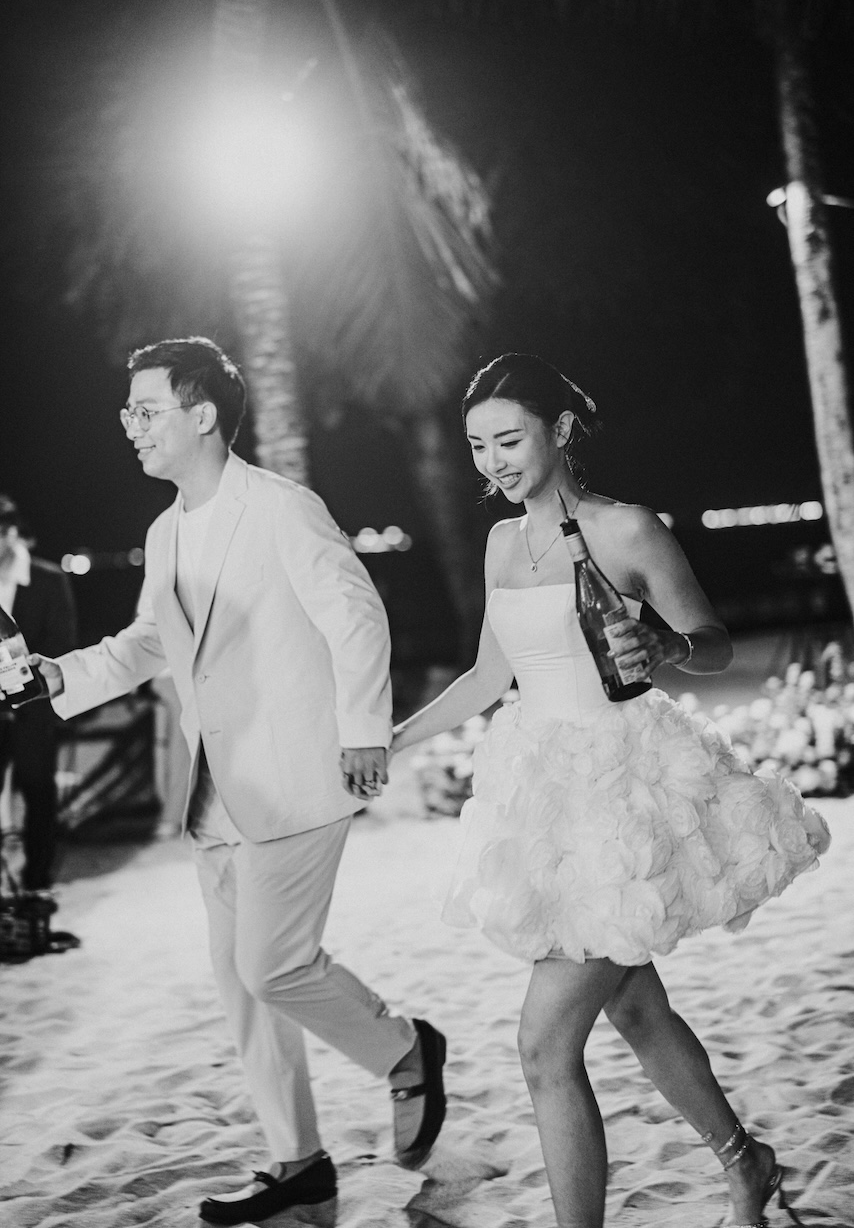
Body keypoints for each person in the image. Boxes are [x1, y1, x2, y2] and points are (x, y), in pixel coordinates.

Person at [392, 352, 830, 1228]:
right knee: (634, 1006)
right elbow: (488, 677)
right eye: (477, 446)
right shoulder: (501, 542)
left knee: (542, 1046)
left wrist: (667, 647)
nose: (493, 463)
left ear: (559, 430)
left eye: (509, 440)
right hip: (546, 796)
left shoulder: (627, 530)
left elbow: (714, 641)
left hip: (621, 793)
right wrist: (391, 740)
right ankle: (747, 1164)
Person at [25, 337, 447, 1226]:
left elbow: (356, 617)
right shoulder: (166, 530)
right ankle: (299, 1162)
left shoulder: (282, 509)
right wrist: (64, 675)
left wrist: (363, 731)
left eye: (147, 410)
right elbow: (151, 641)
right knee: (241, 987)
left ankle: (406, 1050)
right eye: (128, 412)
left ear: (204, 414)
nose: (131, 427)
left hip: (299, 774)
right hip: (214, 790)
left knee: (272, 966)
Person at [0, 494, 77, 892]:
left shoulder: (47, 579)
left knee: (38, 791)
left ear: (10, 532)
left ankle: (36, 881)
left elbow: (62, 643)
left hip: (32, 706)